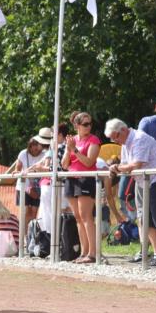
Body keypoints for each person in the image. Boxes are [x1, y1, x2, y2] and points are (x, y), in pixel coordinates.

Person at [105, 119, 156, 267]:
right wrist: (118, 167)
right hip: (147, 183)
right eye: (112, 139)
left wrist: (117, 168)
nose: (115, 141)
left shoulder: (139, 138)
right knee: (146, 219)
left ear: (123, 130)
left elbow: (136, 164)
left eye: (116, 137)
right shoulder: (125, 144)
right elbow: (126, 165)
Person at [61, 112, 101, 263]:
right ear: (76, 125)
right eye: (85, 124)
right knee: (78, 218)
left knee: (86, 217)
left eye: (90, 123)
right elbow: (64, 165)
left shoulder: (93, 140)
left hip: (86, 179)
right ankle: (84, 252)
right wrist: (68, 149)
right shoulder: (72, 140)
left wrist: (75, 150)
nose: (89, 126)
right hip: (71, 179)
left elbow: (89, 162)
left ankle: (92, 253)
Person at [3, 131, 51, 229]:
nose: (35, 148)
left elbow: (42, 167)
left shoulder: (45, 154)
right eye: (33, 145)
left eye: (37, 145)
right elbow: (18, 168)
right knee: (24, 211)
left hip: (37, 187)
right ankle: (23, 234)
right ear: (29, 146)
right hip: (23, 187)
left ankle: (31, 233)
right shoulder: (23, 154)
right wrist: (18, 172)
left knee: (34, 211)